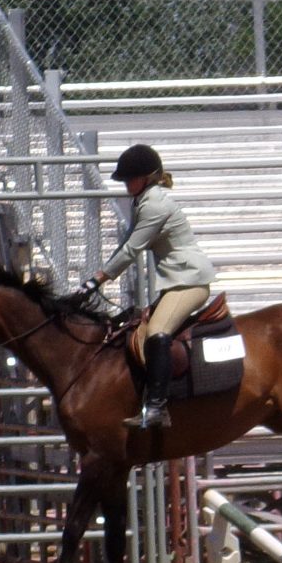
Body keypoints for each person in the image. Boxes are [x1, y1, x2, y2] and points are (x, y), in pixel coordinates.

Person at [73, 142, 216, 429]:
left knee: (157, 333)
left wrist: (97, 280)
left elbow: (131, 251)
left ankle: (157, 408)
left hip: (190, 281)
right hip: (177, 281)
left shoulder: (156, 204)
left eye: (130, 179)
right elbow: (126, 244)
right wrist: (96, 277)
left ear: (147, 178)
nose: (126, 184)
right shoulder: (144, 201)